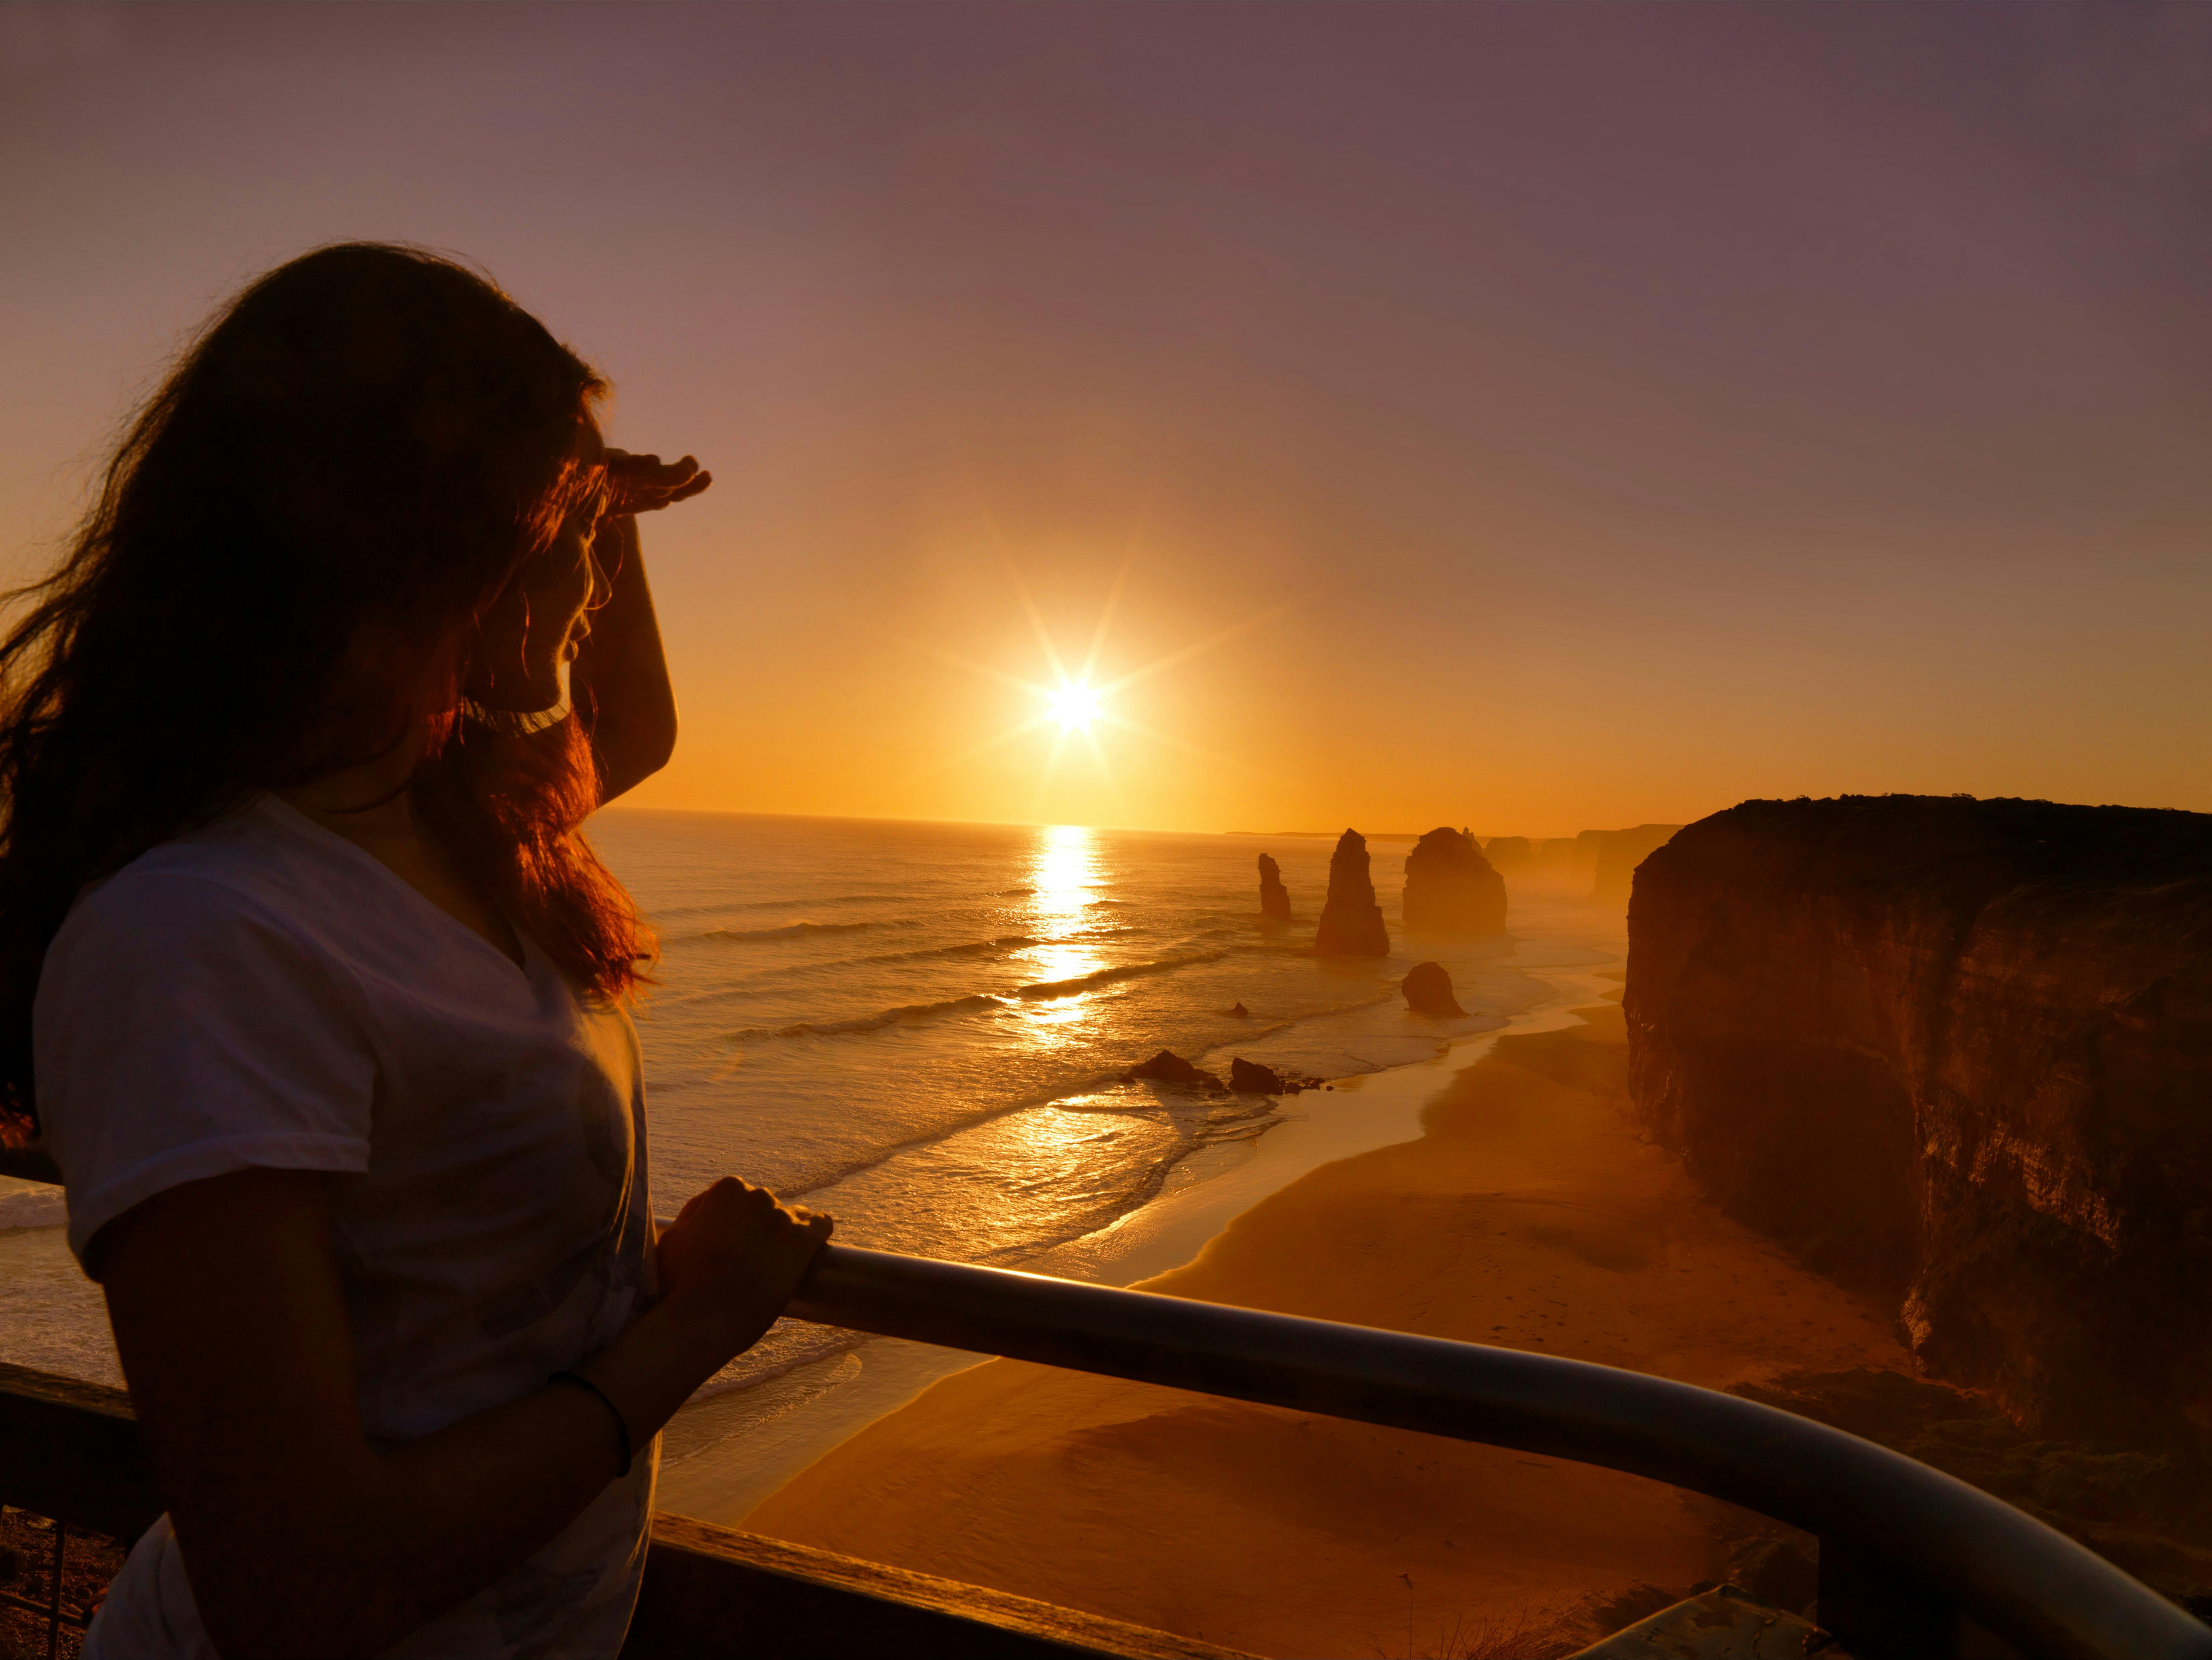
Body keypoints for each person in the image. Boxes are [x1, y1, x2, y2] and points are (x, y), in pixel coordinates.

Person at [0, 243, 832, 1658]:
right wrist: (698, 1328)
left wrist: (602, 504)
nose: (594, 566)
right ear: (439, 534)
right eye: (571, 517)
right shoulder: (203, 938)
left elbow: (629, 731)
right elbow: (296, 1584)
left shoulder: (451, 827)